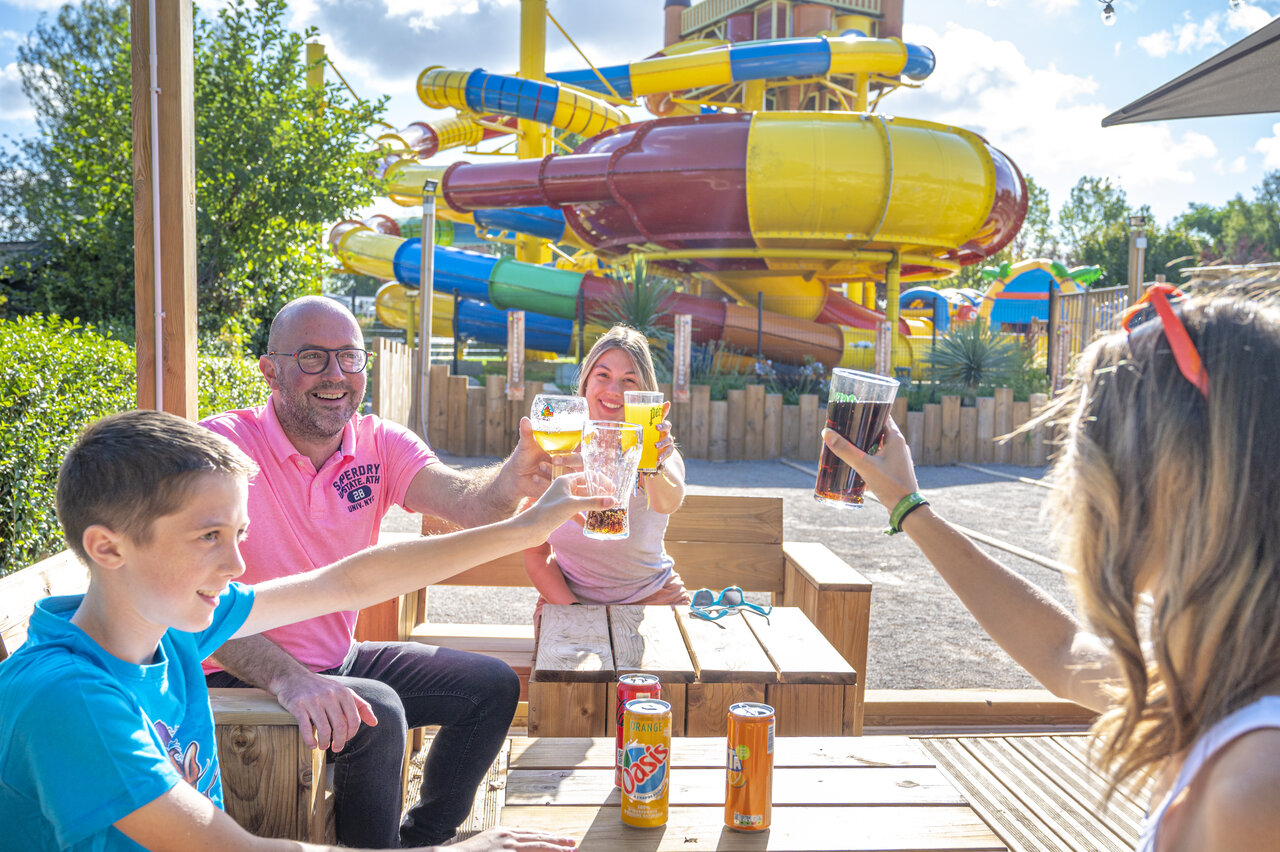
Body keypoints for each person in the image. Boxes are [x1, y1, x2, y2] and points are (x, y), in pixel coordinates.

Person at [0, 408, 605, 852]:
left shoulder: (168, 629)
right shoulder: (73, 699)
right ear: (108, 547)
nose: (237, 565)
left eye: (238, 534)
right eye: (208, 536)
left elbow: (345, 583)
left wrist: (526, 531)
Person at [821, 282, 1280, 851]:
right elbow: (1061, 653)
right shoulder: (1215, 678)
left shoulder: (1257, 788)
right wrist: (908, 506)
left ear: (1179, 481)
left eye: (1094, 439)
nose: (1073, 477)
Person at [200, 296, 555, 848]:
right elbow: (195, 605)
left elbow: (469, 503)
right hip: (235, 674)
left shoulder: (380, 444)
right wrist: (291, 680)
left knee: (493, 686)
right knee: (379, 712)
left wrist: (513, 477)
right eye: (313, 358)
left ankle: (422, 839)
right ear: (270, 370)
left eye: (350, 357)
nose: (336, 375)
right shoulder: (220, 450)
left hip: (336, 662)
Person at [523, 325, 689, 628]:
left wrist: (656, 461)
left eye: (629, 380)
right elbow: (536, 552)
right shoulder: (556, 451)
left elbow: (668, 502)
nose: (614, 390)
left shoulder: (659, 454)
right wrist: (575, 611)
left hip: (654, 597)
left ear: (644, 395)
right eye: (603, 375)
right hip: (568, 599)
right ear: (585, 384)